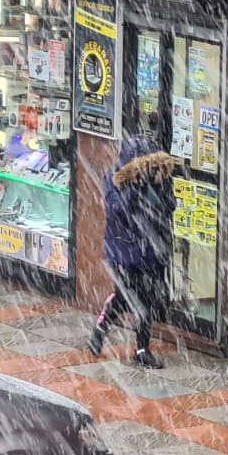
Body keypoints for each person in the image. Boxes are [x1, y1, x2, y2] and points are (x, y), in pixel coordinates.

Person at [89, 136, 176, 368]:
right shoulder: (114, 180)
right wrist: (137, 185)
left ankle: (141, 349)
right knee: (127, 299)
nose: (155, 171)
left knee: (147, 300)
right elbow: (121, 210)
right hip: (123, 252)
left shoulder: (161, 181)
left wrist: (159, 184)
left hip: (151, 250)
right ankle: (101, 328)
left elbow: (170, 207)